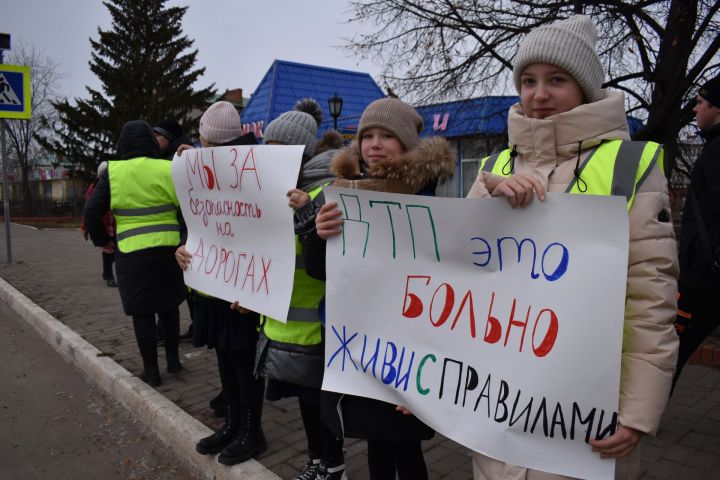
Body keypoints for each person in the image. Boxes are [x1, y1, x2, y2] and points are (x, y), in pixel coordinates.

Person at [464, 15, 678, 479]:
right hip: (496, 413)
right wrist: (487, 199)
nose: (539, 95)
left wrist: (637, 412)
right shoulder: (494, 164)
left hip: (583, 419)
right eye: (528, 81)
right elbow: (454, 275)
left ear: (584, 87)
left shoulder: (630, 164)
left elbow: (649, 298)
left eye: (556, 80)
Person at [313, 97, 455, 480]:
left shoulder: (424, 199)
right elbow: (320, 272)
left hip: (405, 342)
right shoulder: (342, 192)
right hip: (358, 342)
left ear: (407, 144)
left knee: (404, 444)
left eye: (387, 136)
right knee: (373, 436)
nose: (374, 144)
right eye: (367, 136)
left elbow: (442, 283)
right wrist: (320, 235)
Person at [247, 98, 347, 480]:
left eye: (279, 150)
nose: (270, 157)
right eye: (267, 149)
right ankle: (316, 461)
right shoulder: (272, 189)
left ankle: (334, 466)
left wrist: (306, 210)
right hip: (285, 319)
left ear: (301, 152)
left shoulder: (325, 190)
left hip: (318, 322)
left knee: (321, 402)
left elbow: (329, 253)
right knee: (307, 404)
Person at [174, 101, 266, 466]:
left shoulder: (255, 171)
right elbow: (196, 222)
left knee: (244, 361)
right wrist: (182, 249)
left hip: (241, 288)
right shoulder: (197, 168)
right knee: (225, 357)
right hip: (212, 284)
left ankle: (251, 430)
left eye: (211, 145)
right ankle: (232, 423)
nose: (206, 150)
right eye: (203, 143)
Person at [84, 120, 186, 387]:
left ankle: (151, 371)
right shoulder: (169, 168)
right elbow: (188, 209)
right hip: (169, 249)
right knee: (169, 305)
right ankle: (174, 361)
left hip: (131, 253)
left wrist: (103, 240)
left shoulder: (113, 172)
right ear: (151, 142)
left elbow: (91, 212)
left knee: (142, 313)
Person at [674, 75, 720, 386]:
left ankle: (637, 415)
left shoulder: (717, 151)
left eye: (701, 103)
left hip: (704, 276)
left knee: (671, 346)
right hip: (706, 269)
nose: (695, 110)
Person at [154, 119, 194, 343]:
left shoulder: (179, 158)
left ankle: (165, 331)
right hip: (178, 229)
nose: (154, 140)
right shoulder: (166, 157)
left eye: (158, 135)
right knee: (184, 283)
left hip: (185, 229)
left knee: (181, 282)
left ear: (169, 138)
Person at [81, 161, 117, 287]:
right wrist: (85, 229)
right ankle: (108, 276)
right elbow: (89, 211)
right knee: (108, 251)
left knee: (117, 251)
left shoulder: (115, 184)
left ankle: (111, 273)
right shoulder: (94, 188)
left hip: (117, 225)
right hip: (104, 226)